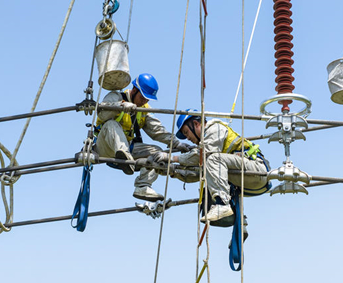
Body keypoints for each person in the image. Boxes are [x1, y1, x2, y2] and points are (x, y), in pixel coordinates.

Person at [95, 73, 194, 202]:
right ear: (134, 90)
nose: (144, 102)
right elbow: (102, 114)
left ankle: (142, 186)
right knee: (111, 124)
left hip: (127, 150)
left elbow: (156, 130)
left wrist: (176, 143)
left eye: (147, 100)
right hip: (105, 146)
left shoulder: (143, 109)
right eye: (143, 98)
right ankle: (125, 157)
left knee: (158, 153)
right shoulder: (116, 96)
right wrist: (120, 106)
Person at [157, 112, 270, 223]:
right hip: (247, 181)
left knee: (213, 159)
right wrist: (172, 171)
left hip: (257, 170)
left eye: (187, 132)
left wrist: (171, 158)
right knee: (209, 170)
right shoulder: (212, 158)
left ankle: (222, 204)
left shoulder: (215, 128)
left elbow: (200, 155)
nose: (188, 138)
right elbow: (198, 173)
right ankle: (229, 211)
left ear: (196, 124)